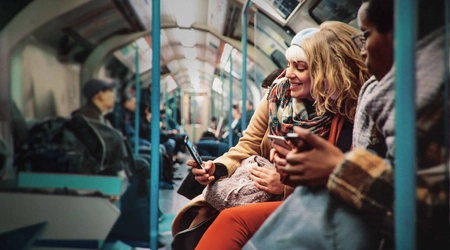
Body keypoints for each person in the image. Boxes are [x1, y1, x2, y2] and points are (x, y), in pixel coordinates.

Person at [244, 0, 449, 249]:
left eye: (366, 36)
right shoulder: (376, 96)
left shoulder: (429, 101)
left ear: (395, 34)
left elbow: (434, 211)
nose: (363, 50)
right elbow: (250, 142)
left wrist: (336, 169)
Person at [195, 21, 375, 250]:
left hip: (306, 196)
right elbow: (248, 144)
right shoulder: (277, 96)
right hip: (274, 187)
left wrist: (285, 185)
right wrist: (218, 168)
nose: (288, 74)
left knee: (232, 221)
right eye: (289, 65)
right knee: (205, 214)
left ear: (325, 71)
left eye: (300, 67)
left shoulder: (341, 112)